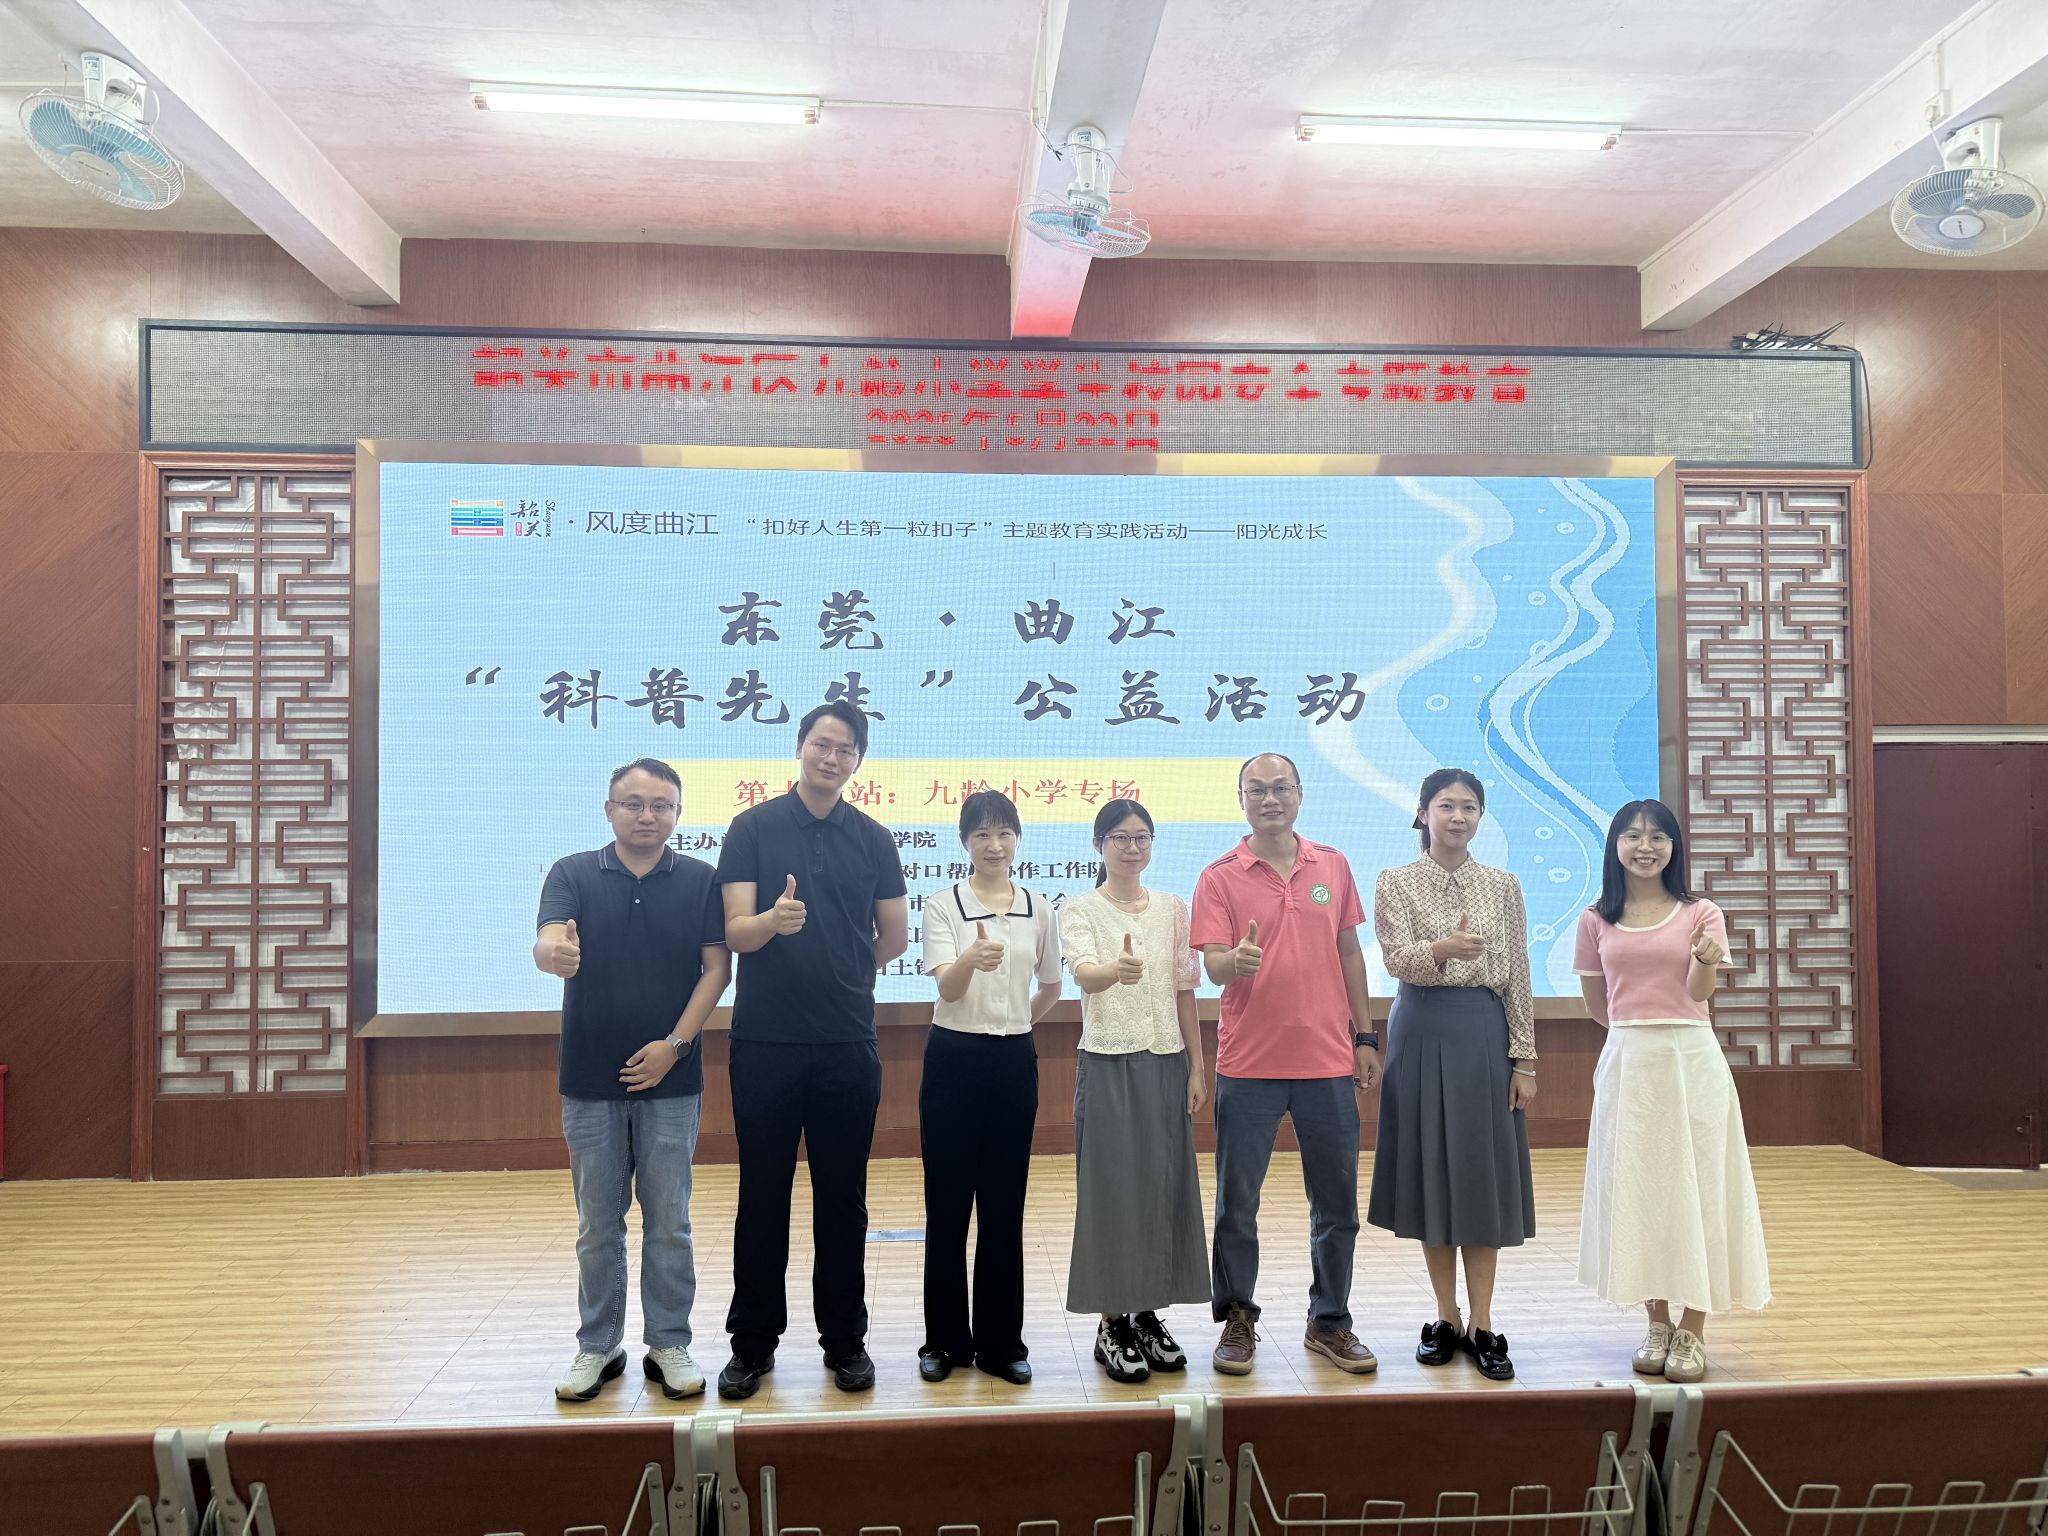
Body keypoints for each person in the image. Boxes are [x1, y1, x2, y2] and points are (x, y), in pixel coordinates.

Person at [714, 702, 909, 1400]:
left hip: (846, 1042)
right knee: (762, 1196)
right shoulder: (752, 828)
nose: (831, 757)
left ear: (858, 760)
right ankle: (752, 1345)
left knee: (843, 1200)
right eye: (822, 744)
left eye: (845, 749)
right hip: (765, 1042)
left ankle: (845, 1342)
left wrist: (845, 973)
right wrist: (773, 920)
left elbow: (895, 936)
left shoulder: (875, 839)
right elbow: (735, 933)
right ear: (800, 746)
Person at [535, 757, 730, 1403]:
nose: (648, 816)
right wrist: (555, 954)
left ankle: (669, 1342)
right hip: (590, 1078)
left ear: (678, 813)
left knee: (670, 1221)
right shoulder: (572, 873)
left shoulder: (701, 879)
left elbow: (716, 970)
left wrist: (674, 1047)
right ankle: (598, 1346)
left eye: (661, 805)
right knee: (598, 1223)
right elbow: (547, 942)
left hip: (672, 1081)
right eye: (634, 803)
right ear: (610, 809)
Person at [1191, 753, 1379, 1377]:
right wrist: (1234, 963)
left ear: (1299, 794)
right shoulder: (1219, 876)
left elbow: (1349, 952)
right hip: (1248, 1064)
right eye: (1257, 790)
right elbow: (1213, 965)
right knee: (1236, 1202)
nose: (1269, 799)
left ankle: (1330, 1320)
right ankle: (1237, 1318)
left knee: (1337, 1203)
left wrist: (1365, 1036)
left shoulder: (1333, 865)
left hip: (1327, 1060)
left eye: (1280, 788)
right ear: (1241, 799)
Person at [1576, 799, 1770, 1382]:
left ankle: (1694, 1330)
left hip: (1691, 1060)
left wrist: (1705, 961)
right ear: (1615, 846)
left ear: (1673, 847)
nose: (1645, 847)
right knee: (1641, 1191)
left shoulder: (1701, 913)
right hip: (1629, 1063)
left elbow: (1699, 992)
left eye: (1658, 837)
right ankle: (1657, 1321)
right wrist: (1638, 1037)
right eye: (1633, 836)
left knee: (1702, 1187)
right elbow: (1599, 1008)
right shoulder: (1595, 920)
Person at [1366, 768, 1537, 1382]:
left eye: (1469, 806)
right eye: (1446, 805)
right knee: (1432, 1175)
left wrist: (1525, 1059)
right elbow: (1395, 959)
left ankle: (1484, 1322)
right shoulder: (1395, 881)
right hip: (1420, 1028)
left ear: (1480, 816)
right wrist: (1441, 949)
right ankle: (1445, 1315)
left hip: (1484, 1034)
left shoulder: (1503, 886)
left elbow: (1519, 973)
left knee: (1480, 1176)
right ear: (1423, 813)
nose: (1458, 816)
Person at [1057, 799, 1210, 1384]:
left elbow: (1184, 991)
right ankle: (1111, 1321)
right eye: (1119, 837)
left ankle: (1146, 1313)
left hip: (1167, 1062)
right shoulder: (1078, 908)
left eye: (1141, 836)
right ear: (1098, 845)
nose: (1131, 847)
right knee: (1113, 1193)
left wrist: (1197, 1068)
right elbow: (1083, 973)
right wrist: (1112, 973)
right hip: (1109, 1063)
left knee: (1162, 1189)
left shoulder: (1173, 909)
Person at [915, 790, 1062, 1386]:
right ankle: (944, 1342)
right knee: (948, 1205)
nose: (994, 845)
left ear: (1017, 839)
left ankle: (1002, 1345)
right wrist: (970, 961)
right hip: (953, 1058)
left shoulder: (1039, 907)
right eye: (981, 834)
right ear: (964, 843)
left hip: (1013, 1060)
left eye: (1003, 833)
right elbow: (947, 990)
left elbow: (1051, 985)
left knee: (1004, 1206)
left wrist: (1019, 1022)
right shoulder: (942, 904)